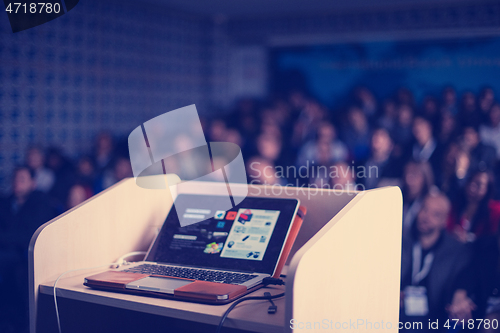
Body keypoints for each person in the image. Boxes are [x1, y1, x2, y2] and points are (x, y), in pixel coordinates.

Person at [400, 192, 471, 332]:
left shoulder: (455, 251)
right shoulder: (400, 240)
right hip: (399, 314)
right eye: (424, 209)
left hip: (434, 320)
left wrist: (459, 298)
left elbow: (463, 279)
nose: (426, 217)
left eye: (435, 214)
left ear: (444, 221)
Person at [0, 166, 55, 332]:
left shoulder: (40, 202)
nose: (17, 183)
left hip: (27, 254)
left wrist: (7, 239)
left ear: (32, 183)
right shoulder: (6, 202)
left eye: (22, 180)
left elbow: (29, 235)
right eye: (15, 179)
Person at [447, 170, 500, 243]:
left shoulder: (494, 211)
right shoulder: (456, 204)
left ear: (487, 189)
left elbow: (491, 238)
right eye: (470, 181)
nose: (471, 188)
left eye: (478, 185)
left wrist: (468, 238)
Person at [401, 161, 435, 236]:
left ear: (425, 177)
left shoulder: (433, 200)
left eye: (414, 175)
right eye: (406, 174)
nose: (408, 180)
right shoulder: (400, 196)